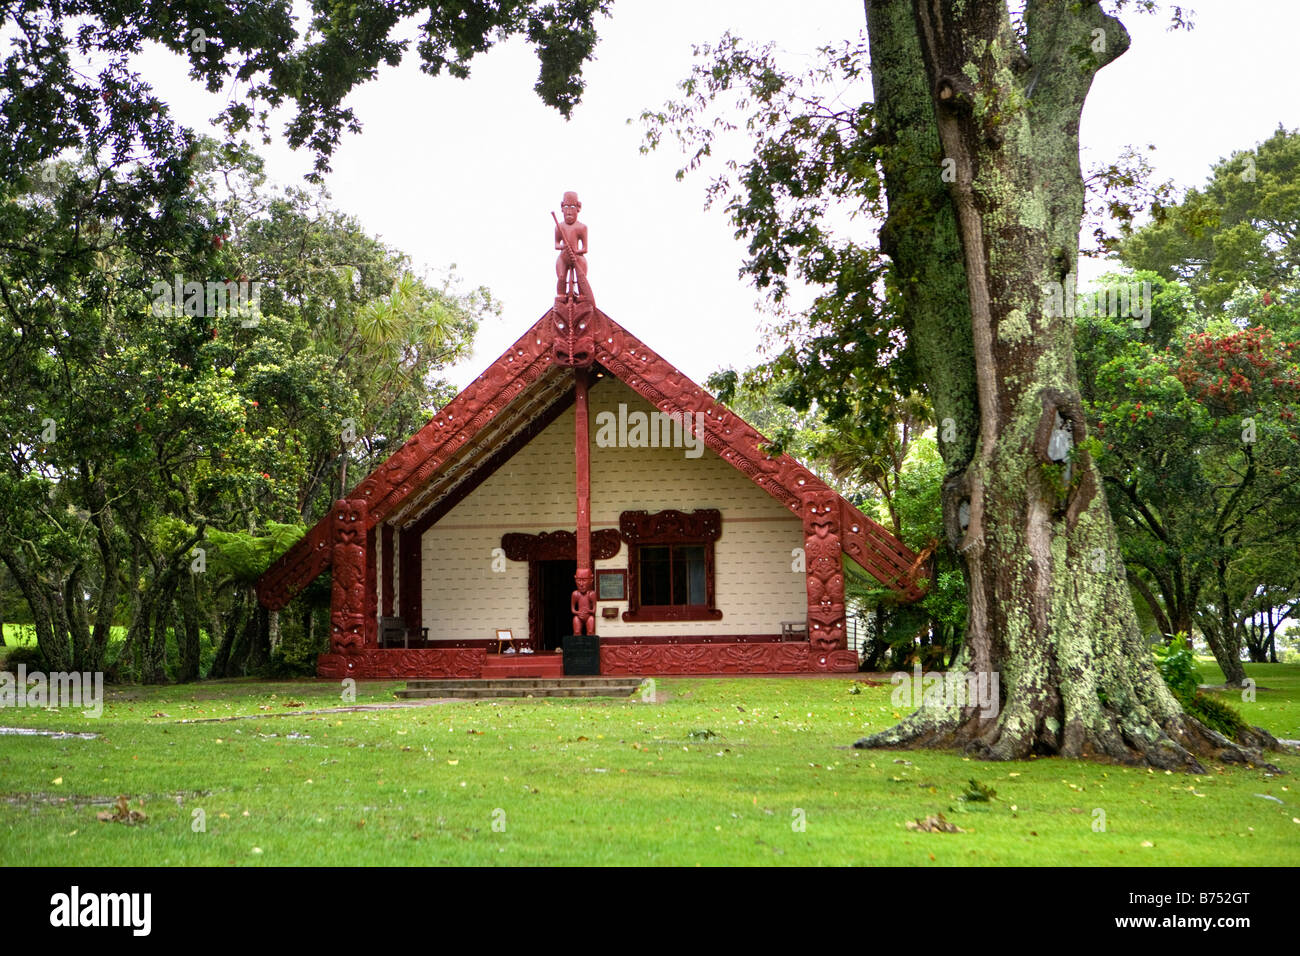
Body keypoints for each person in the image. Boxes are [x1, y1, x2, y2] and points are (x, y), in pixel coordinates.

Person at [554, 191, 589, 298]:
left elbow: (585, 248)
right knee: (561, 277)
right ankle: (561, 297)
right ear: (562, 208)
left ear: (578, 208)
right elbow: (556, 244)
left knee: (581, 278)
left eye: (572, 207)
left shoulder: (582, 227)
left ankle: (582, 297)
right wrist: (563, 247)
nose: (569, 211)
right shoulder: (559, 227)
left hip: (577, 257)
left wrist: (576, 252)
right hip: (564, 257)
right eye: (566, 207)